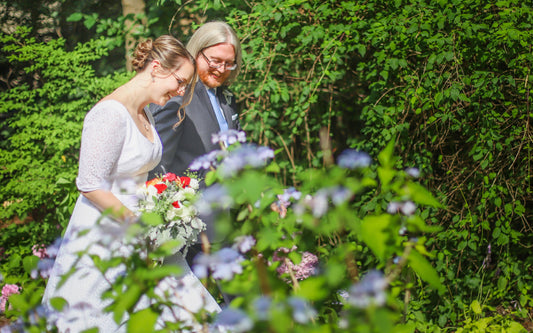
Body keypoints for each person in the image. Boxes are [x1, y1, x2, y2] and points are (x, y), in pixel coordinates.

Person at [42, 35, 221, 332]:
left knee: (189, 314)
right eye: (179, 81)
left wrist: (166, 204)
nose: (180, 91)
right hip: (107, 234)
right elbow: (89, 184)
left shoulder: (146, 112)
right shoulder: (109, 114)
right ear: (155, 68)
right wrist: (139, 225)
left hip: (146, 233)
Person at [148, 21, 242, 251]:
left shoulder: (225, 99)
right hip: (187, 232)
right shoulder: (177, 97)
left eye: (229, 64)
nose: (221, 69)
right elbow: (157, 166)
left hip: (224, 226)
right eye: (215, 61)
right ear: (196, 52)